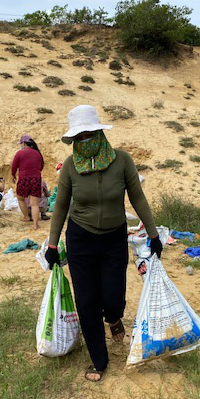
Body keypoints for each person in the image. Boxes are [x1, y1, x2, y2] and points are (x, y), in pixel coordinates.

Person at [45, 105, 163, 382]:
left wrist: (154, 234)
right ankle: (99, 359)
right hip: (80, 238)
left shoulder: (122, 161)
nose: (84, 141)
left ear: (99, 132)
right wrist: (52, 245)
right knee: (86, 302)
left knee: (112, 298)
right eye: (79, 137)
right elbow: (60, 206)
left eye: (89, 135)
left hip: (113, 237)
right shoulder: (71, 167)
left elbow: (138, 198)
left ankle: (113, 317)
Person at [11, 134, 44, 230]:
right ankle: (35, 225)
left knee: (20, 198)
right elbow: (41, 167)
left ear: (24, 143)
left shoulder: (19, 153)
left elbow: (14, 166)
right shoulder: (38, 154)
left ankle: (26, 216)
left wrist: (13, 175)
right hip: (36, 179)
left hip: (24, 179)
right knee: (35, 204)